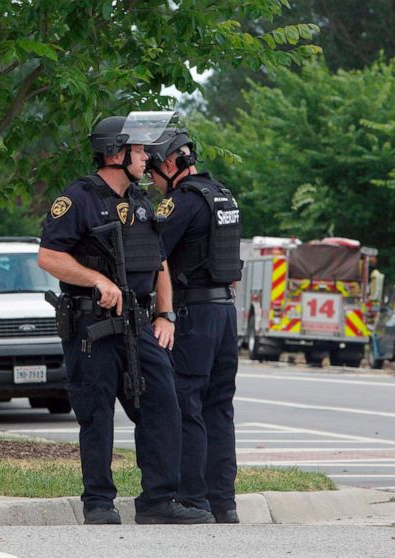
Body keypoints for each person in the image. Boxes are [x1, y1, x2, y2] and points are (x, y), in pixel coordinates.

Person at [38, 115, 214, 525]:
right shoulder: (78, 198)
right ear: (116, 153)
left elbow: (160, 262)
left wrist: (165, 314)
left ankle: (158, 500)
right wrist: (97, 279)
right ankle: (98, 501)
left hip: (138, 325)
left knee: (162, 405)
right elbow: (49, 257)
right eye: (140, 151)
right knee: (96, 414)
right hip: (93, 326)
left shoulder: (140, 201)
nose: (147, 158)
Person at [146, 128, 243, 524]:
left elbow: (153, 250)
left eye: (152, 170)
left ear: (170, 164)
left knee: (187, 405)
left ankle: (192, 498)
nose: (151, 181)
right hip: (224, 314)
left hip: (195, 315)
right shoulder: (223, 195)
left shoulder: (181, 202)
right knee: (219, 407)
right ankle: (224, 501)